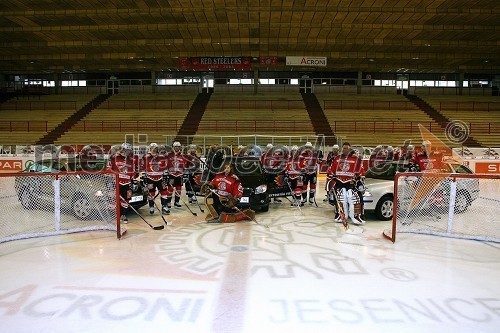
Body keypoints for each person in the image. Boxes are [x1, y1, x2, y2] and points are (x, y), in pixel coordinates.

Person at [327, 142, 365, 225]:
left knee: (352, 196)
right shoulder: (337, 158)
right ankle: (341, 215)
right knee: (341, 197)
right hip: (339, 182)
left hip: (351, 183)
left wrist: (358, 178)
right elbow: (331, 170)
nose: (345, 150)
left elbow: (361, 172)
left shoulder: (355, 159)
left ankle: (356, 216)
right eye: (344, 148)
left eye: (347, 148)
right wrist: (331, 178)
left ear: (350, 149)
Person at [107, 143, 138, 223]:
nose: (127, 152)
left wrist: (134, 180)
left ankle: (123, 215)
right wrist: (114, 175)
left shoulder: (132, 160)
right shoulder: (114, 158)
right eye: (126, 150)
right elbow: (108, 168)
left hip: (126, 183)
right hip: (115, 182)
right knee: (113, 199)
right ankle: (113, 216)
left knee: (126, 200)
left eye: (129, 151)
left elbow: (133, 172)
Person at [140, 143, 171, 215]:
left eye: (156, 148)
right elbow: (143, 167)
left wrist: (166, 175)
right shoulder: (146, 157)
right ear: (150, 149)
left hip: (160, 177)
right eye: (153, 148)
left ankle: (164, 206)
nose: (154, 150)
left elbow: (165, 166)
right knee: (151, 193)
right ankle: (151, 206)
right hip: (150, 178)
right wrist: (143, 177)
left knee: (164, 192)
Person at [165, 141, 187, 209]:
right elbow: (165, 164)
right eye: (175, 146)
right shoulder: (169, 155)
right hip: (171, 174)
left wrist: (185, 173)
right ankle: (168, 202)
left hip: (179, 175)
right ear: (173, 147)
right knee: (170, 189)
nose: (177, 148)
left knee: (179, 189)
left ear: (180, 147)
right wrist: (165, 172)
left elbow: (185, 165)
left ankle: (177, 202)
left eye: (178, 146)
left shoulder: (183, 155)